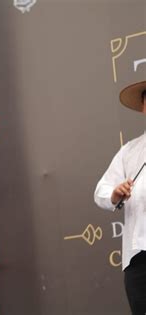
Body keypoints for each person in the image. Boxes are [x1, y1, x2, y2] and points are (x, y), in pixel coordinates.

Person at [94, 81, 146, 315]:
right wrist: (115, 193)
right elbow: (101, 191)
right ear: (143, 107)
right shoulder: (130, 151)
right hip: (138, 259)